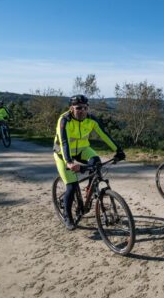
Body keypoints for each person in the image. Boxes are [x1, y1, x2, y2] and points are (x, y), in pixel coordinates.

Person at [53, 94, 126, 231]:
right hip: (63, 154)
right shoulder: (64, 120)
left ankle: (89, 188)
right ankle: (67, 216)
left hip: (82, 150)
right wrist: (69, 162)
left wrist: (118, 150)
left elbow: (104, 135)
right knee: (71, 186)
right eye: (78, 108)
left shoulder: (91, 119)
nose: (82, 110)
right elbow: (64, 142)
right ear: (71, 108)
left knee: (96, 162)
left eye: (85, 107)